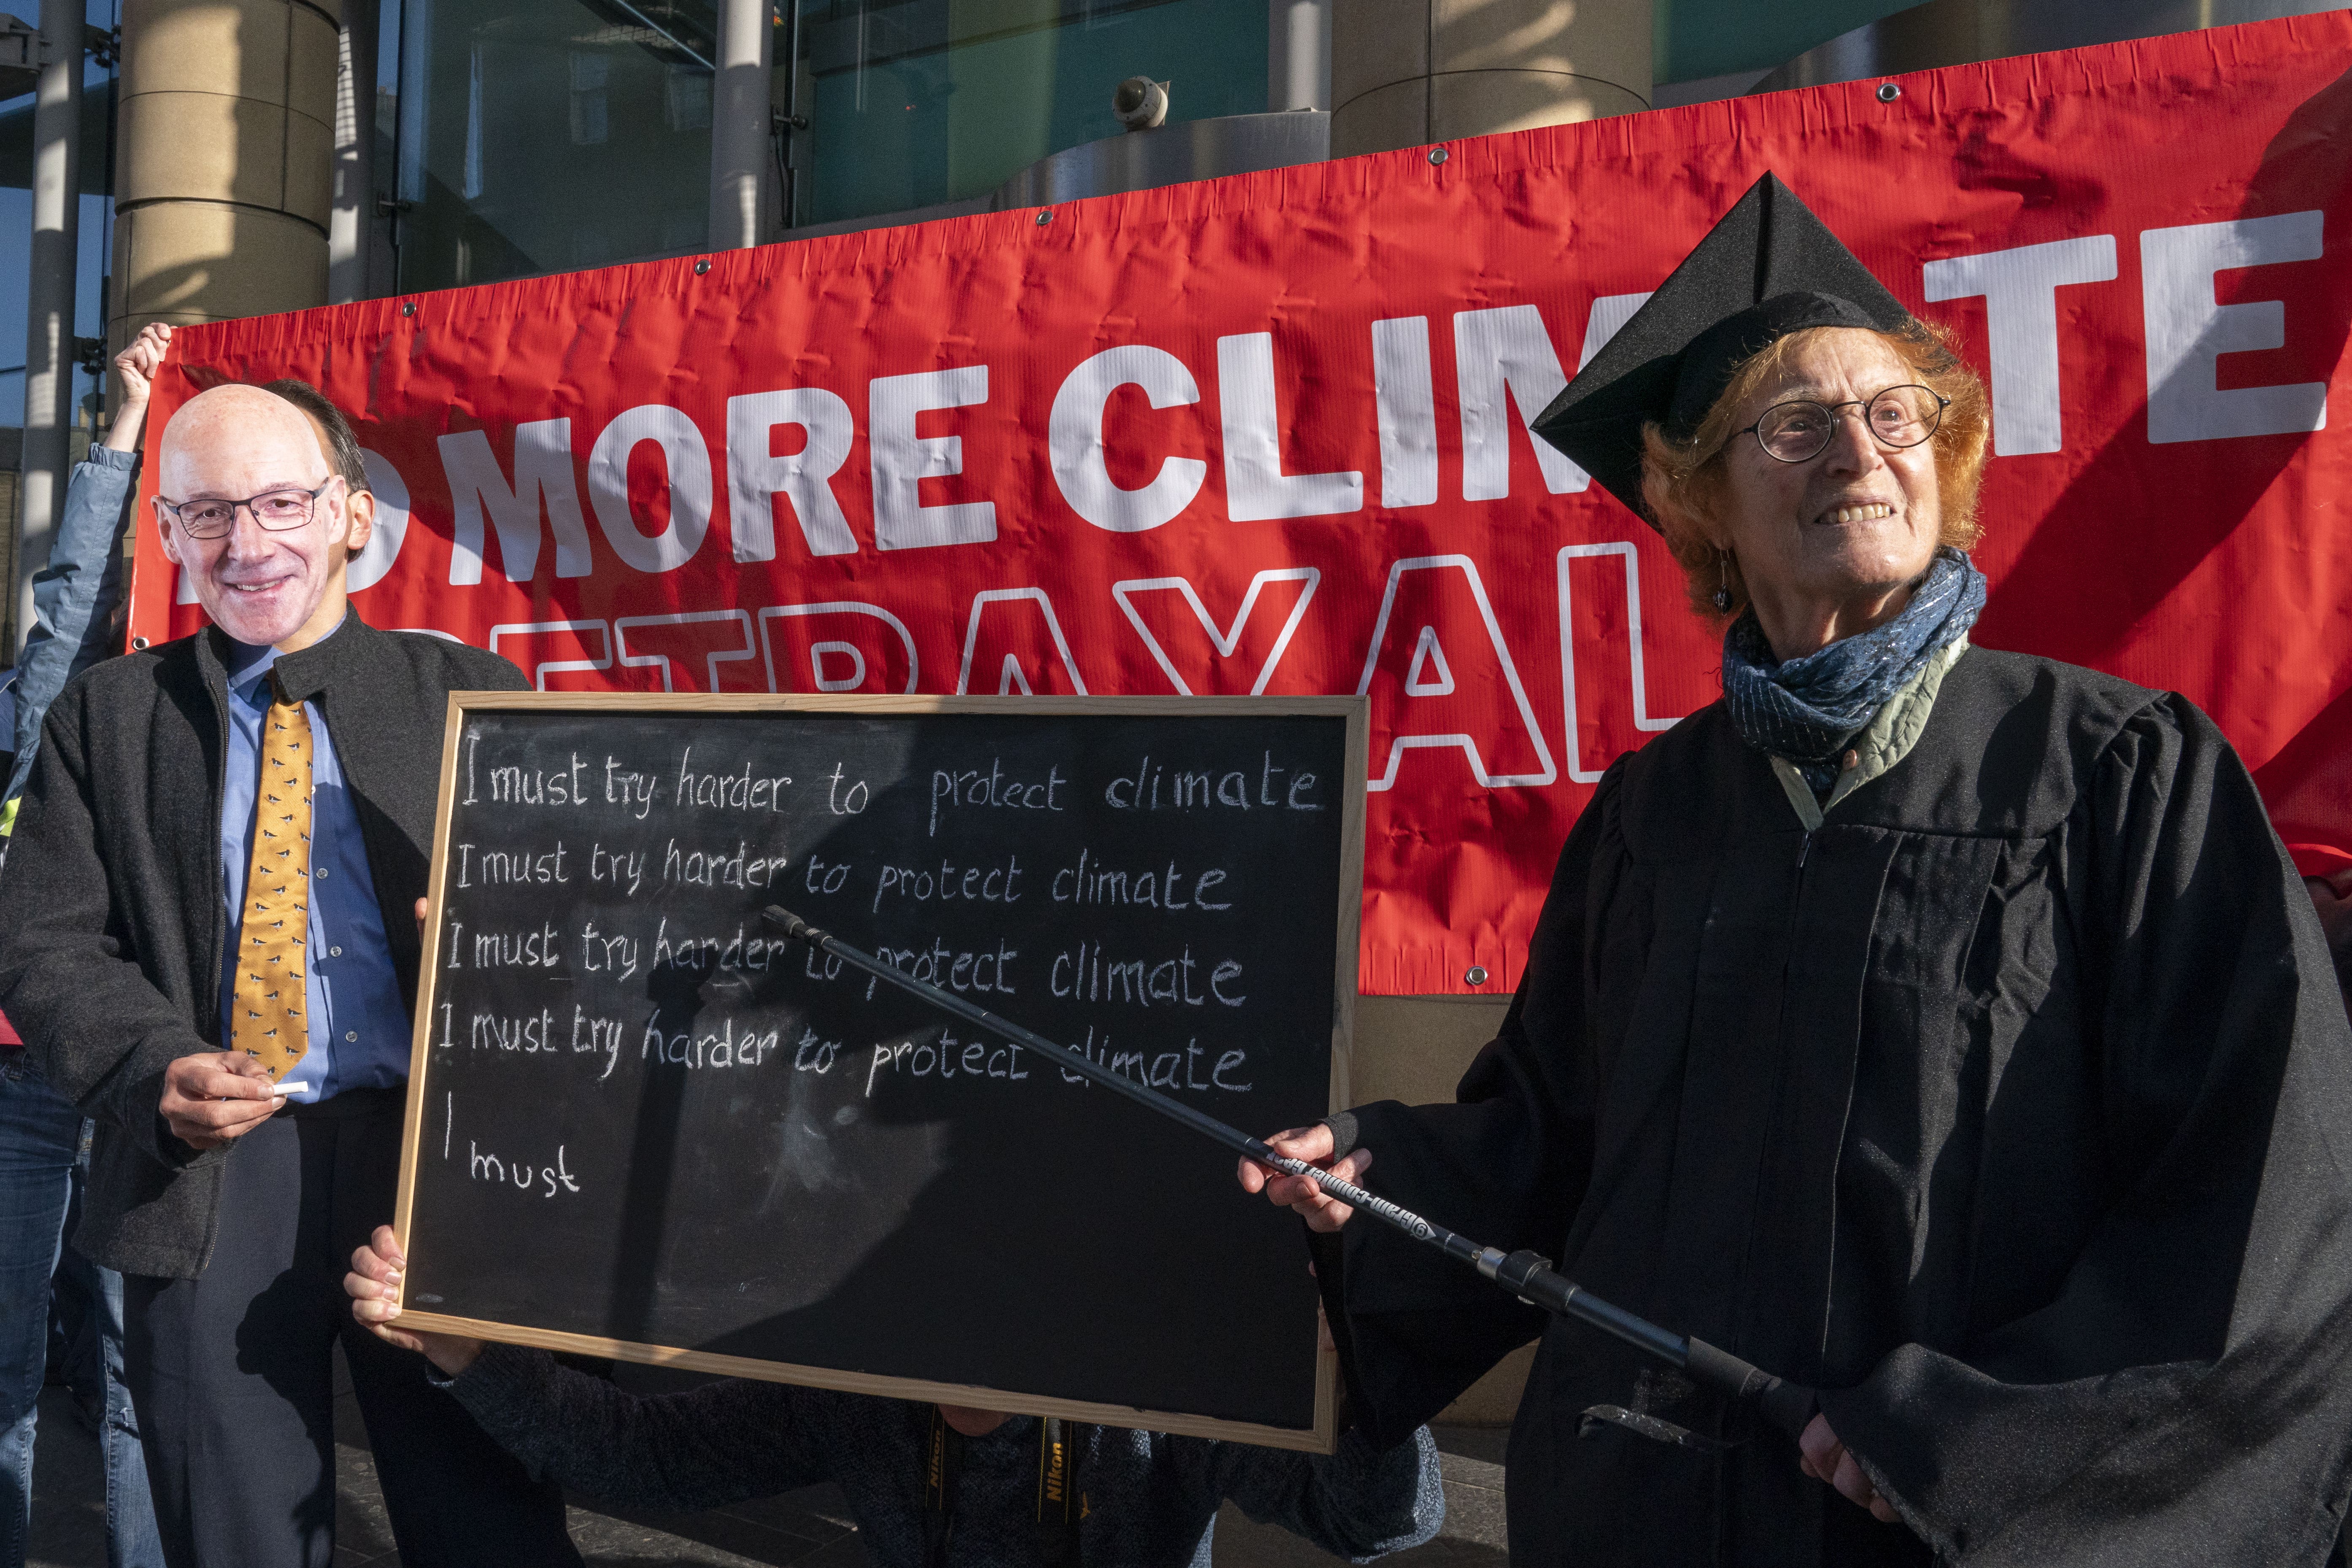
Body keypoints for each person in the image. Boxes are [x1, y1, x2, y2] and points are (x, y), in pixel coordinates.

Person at [1241, 173, 2352, 1566]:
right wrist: (1375, 1178)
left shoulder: (2118, 775)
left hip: (1931, 1524)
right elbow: (1552, 1139)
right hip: (1634, 1518)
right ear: (1698, 499)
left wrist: (1979, 1439)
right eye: (1797, 422)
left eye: (1898, 418)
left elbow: (2264, 1203)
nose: (1858, 451)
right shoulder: (1657, 809)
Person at [0, 381, 583, 1568]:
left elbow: (583, 938)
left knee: (490, 1519)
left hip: (437, 1165)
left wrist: (513, 938)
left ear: (354, 517)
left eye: (281, 501)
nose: (248, 544)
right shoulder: (107, 718)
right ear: (167, 535)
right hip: (210, 1170)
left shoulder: (475, 698)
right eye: (208, 513)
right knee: (236, 1532)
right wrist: (150, 1064)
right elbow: (44, 940)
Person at [342, 1228, 1442, 1567]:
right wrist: (466, 1350)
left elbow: (1379, 1519)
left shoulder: (1149, 1395)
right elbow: (649, 1457)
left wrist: (1350, 1375)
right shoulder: (861, 1391)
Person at [0, 322, 175, 1568]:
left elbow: (78, 595)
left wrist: (138, 418)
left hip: (131, 1079)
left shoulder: (183, 722)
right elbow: (64, 600)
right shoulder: (36, 723)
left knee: (131, 1376)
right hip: (16, 1082)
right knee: (6, 1368)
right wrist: (121, 426)